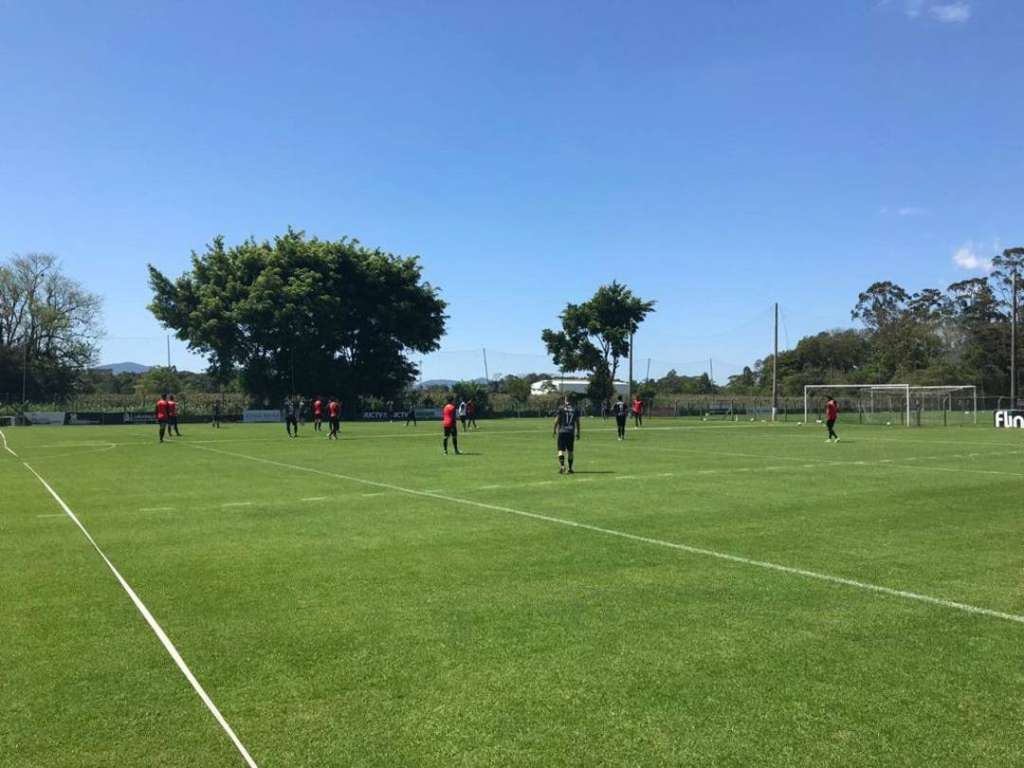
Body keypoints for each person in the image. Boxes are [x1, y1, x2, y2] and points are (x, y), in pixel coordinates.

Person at [553, 395, 582, 474]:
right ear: (572, 401)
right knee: (570, 451)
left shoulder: (561, 408)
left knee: (560, 450)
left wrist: (554, 430)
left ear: (565, 400)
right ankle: (570, 468)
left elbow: (556, 420)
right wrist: (578, 433)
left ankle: (562, 466)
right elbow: (577, 423)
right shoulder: (575, 409)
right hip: (570, 432)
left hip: (562, 432)